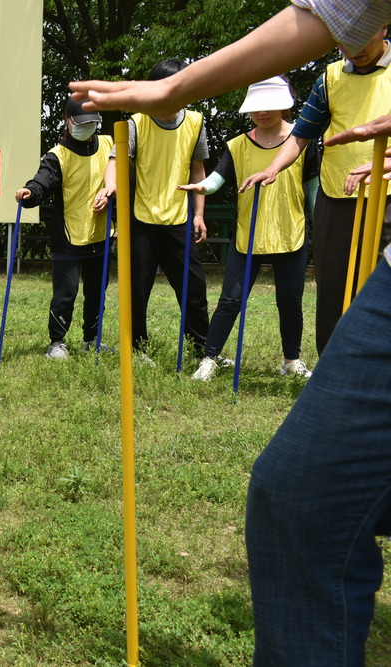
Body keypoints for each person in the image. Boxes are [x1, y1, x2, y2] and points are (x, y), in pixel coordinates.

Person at [75, 1, 391, 663]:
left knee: (289, 318)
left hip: (296, 232)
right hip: (288, 223)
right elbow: (238, 159)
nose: (263, 119)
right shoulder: (307, 98)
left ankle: (288, 357)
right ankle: (215, 356)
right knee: (249, 309)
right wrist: (238, 164)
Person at [238, 27, 391, 356]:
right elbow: (300, 135)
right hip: (336, 197)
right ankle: (332, 368)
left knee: (382, 285)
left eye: (361, 38)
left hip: (388, 197)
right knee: (333, 287)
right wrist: (273, 167)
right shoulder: (330, 78)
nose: (353, 49)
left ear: (381, 27)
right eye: (343, 42)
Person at [180, 77, 318, 381]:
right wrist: (201, 186)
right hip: (248, 235)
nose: (262, 112)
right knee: (230, 299)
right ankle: (209, 359)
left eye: (269, 105)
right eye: (256, 107)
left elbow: (313, 188)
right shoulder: (238, 144)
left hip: (290, 232)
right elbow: (218, 178)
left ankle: (291, 361)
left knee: (290, 302)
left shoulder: (303, 140)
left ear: (285, 104)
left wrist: (321, 224)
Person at [110, 59, 210, 359]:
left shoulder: (195, 122)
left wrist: (199, 214)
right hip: (140, 220)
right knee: (136, 291)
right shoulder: (135, 123)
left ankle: (202, 349)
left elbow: (198, 169)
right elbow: (115, 161)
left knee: (194, 289)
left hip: (179, 218)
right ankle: (136, 348)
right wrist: (109, 186)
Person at [15, 98, 114, 361]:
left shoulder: (108, 145)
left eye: (93, 123)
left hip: (101, 234)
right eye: (82, 124)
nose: (87, 128)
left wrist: (110, 194)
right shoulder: (57, 155)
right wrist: (30, 192)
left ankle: (92, 340)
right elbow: (42, 182)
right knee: (65, 293)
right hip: (68, 237)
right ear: (67, 121)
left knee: (96, 293)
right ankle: (57, 342)